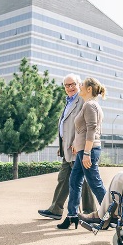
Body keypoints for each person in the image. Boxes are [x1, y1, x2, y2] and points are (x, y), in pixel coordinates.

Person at [38, 74, 97, 220]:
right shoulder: (68, 102)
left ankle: (90, 212)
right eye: (67, 85)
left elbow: (84, 125)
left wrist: (77, 144)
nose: (70, 88)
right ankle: (56, 209)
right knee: (64, 178)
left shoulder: (82, 100)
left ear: (79, 84)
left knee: (82, 181)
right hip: (67, 148)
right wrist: (62, 145)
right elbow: (65, 126)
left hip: (77, 148)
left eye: (72, 85)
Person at [57, 77, 107, 230]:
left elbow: (92, 130)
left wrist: (86, 153)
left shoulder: (90, 105)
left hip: (88, 151)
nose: (79, 86)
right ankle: (72, 215)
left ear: (89, 89)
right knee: (74, 181)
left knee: (94, 183)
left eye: (82, 85)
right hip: (82, 150)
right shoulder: (89, 104)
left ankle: (111, 213)